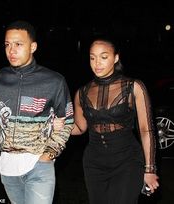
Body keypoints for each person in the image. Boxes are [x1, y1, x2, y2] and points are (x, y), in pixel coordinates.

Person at [0, 20, 74, 204]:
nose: (11, 50)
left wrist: (48, 155)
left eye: (18, 44)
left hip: (40, 165)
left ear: (33, 47)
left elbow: (67, 121)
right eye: (7, 44)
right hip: (7, 168)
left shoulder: (54, 81)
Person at [54, 35, 159, 204]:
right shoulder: (82, 92)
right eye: (92, 58)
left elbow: (146, 130)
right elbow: (80, 128)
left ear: (116, 58)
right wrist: (61, 125)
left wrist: (150, 168)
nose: (97, 63)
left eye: (104, 57)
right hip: (94, 163)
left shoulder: (134, 87)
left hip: (127, 160)